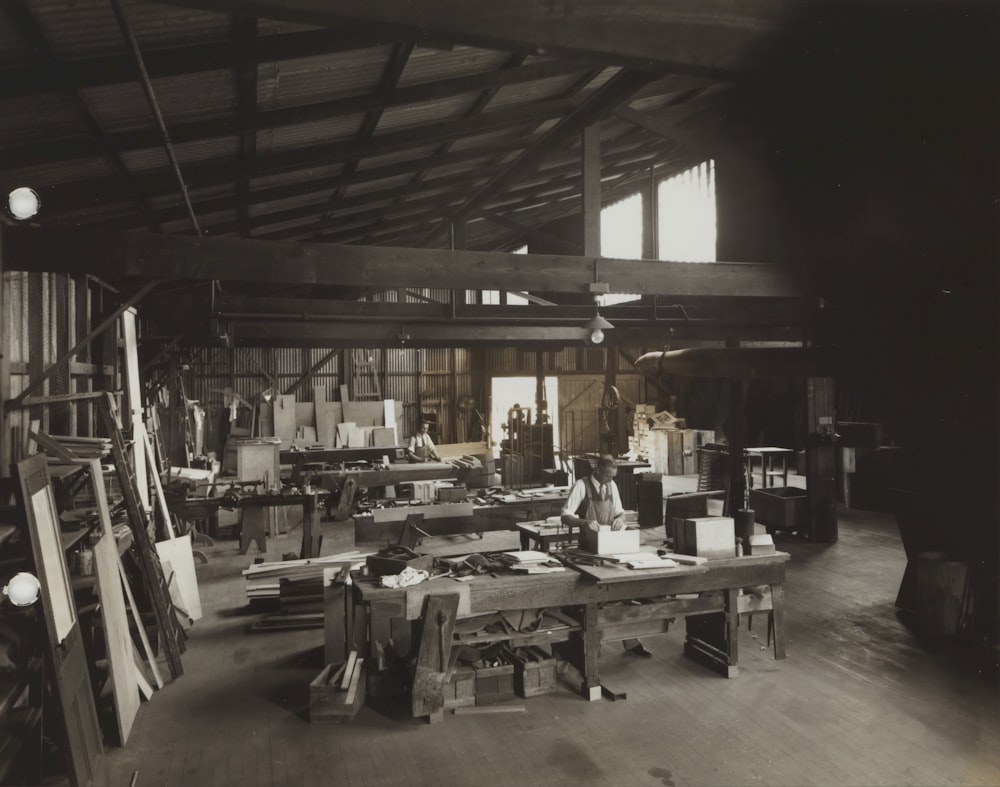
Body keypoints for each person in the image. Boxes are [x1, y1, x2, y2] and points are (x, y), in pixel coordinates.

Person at [561, 455, 653, 657]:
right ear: (598, 471)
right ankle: (590, 646)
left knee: (622, 594)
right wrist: (584, 522)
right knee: (594, 598)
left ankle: (630, 640)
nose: (611, 480)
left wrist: (620, 520)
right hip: (589, 550)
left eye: (613, 476)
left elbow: (620, 512)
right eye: (608, 476)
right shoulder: (581, 485)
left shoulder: (613, 486)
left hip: (612, 547)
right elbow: (565, 515)